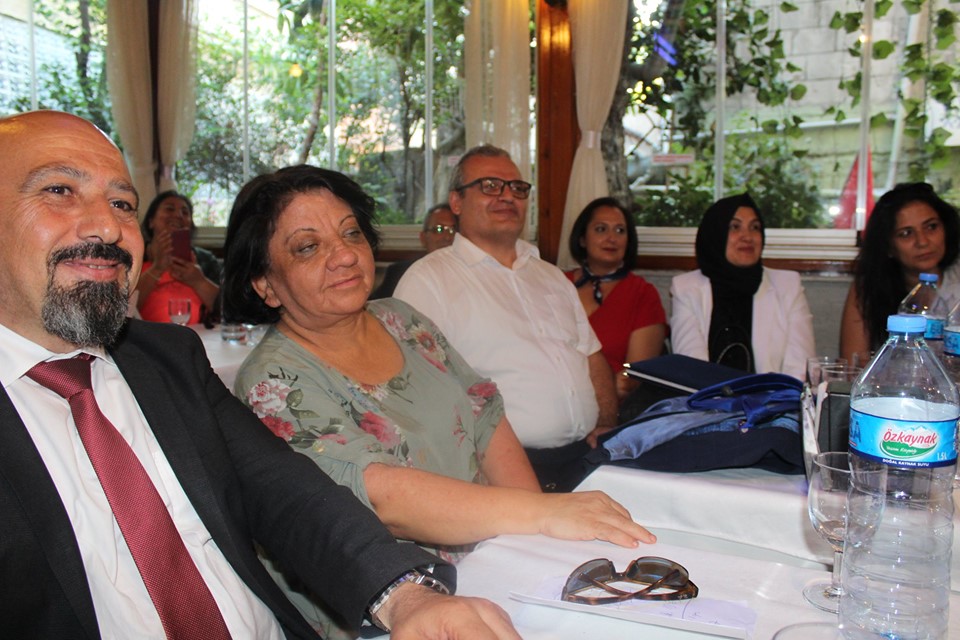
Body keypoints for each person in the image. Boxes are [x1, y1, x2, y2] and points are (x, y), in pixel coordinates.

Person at [0, 109, 521, 639]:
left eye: (122, 204)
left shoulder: (165, 359)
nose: (109, 226)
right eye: (59, 191)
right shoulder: (274, 375)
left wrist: (403, 596)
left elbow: (287, 497)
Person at [222, 164, 655, 638]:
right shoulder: (273, 381)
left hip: (491, 559)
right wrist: (542, 513)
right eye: (308, 247)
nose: (344, 255)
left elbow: (484, 415)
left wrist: (535, 543)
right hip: (394, 603)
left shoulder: (402, 321)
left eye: (351, 233)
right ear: (264, 284)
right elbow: (378, 496)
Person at [394, 145, 619, 493]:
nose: (507, 196)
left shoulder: (552, 276)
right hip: (497, 476)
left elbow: (590, 355)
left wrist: (605, 423)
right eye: (489, 186)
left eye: (517, 188)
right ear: (456, 202)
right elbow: (414, 392)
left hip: (584, 460)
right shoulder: (429, 281)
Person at [670, 193, 815, 380]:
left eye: (755, 227)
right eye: (735, 227)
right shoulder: (686, 288)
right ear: (715, 234)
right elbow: (690, 370)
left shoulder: (787, 286)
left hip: (773, 397)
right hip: (706, 396)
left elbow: (800, 370)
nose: (747, 237)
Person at [840, 182, 960, 364]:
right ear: (888, 247)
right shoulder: (870, 286)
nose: (922, 242)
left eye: (931, 227)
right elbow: (853, 363)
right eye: (906, 233)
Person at [565, 197, 667, 399]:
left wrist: (609, 386)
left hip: (611, 401)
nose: (611, 238)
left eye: (620, 230)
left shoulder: (643, 294)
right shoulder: (556, 283)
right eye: (601, 229)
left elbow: (633, 375)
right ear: (582, 238)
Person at [136, 190, 222, 323]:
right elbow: (124, 308)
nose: (178, 215)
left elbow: (226, 311)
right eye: (169, 209)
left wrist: (198, 281)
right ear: (151, 221)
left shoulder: (205, 260)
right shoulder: (134, 256)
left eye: (185, 212)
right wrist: (157, 269)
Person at [370, 203, 457, 299]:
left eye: (453, 229)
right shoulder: (399, 273)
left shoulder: (465, 273)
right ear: (423, 238)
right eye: (439, 229)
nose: (447, 237)